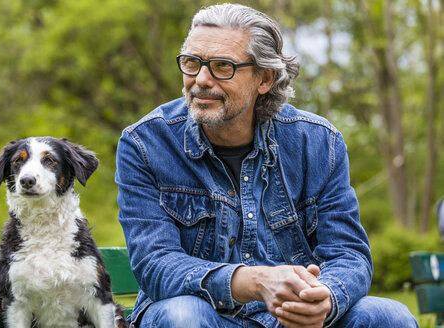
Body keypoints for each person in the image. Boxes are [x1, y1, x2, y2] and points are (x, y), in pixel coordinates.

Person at [115, 3, 418, 327]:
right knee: (184, 315)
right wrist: (254, 282)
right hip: (202, 314)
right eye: (192, 63)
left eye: (222, 66)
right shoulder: (145, 144)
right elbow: (155, 264)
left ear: (264, 78)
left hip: (293, 318)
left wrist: (325, 298)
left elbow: (348, 254)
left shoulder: (317, 142)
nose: (201, 80)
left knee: (388, 316)